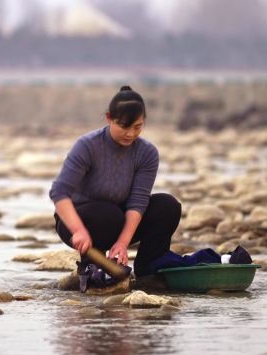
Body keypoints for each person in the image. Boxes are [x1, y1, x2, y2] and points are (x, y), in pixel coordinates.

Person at [49, 85, 182, 278]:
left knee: (167, 205)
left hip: (120, 220)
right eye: (124, 126)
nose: (130, 134)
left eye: (137, 127)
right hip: (79, 221)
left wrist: (122, 243)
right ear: (109, 118)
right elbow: (59, 192)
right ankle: (91, 267)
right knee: (108, 214)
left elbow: (138, 201)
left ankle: (149, 268)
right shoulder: (88, 145)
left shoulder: (147, 153)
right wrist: (77, 230)